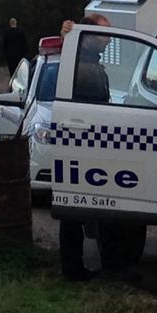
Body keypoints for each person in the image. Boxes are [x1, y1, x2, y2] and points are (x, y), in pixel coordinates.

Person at [57, 14, 113, 281]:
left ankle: (83, 266)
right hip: (82, 146)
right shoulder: (83, 65)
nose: (108, 38)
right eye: (103, 34)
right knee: (75, 208)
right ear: (89, 37)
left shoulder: (89, 63)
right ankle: (73, 268)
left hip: (87, 145)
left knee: (83, 208)